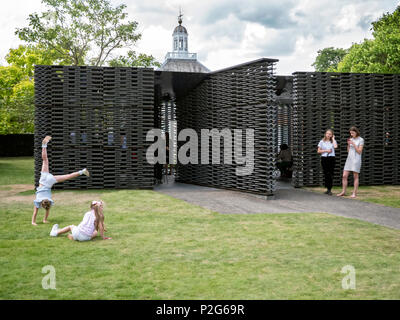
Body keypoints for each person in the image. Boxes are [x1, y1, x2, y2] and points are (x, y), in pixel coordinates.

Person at [32, 136, 90, 226]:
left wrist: (34, 222)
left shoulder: (47, 201)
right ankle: (44, 145)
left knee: (67, 176)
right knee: (45, 160)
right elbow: (36, 213)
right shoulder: (41, 200)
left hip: (49, 182)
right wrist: (33, 221)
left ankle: (82, 171)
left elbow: (39, 212)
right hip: (43, 178)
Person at [337, 126, 365, 198]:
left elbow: (359, 151)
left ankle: (354, 193)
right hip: (349, 159)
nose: (351, 135)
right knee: (344, 176)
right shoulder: (351, 139)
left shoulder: (361, 140)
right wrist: (349, 145)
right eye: (350, 133)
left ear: (356, 132)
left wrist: (354, 144)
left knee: (355, 176)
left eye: (352, 133)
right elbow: (348, 151)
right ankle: (343, 192)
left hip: (356, 159)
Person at [317, 129, 338, 195]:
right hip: (324, 158)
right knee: (326, 173)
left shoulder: (333, 141)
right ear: (325, 134)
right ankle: (327, 188)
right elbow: (318, 151)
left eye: (330, 134)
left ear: (332, 135)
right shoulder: (321, 141)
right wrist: (326, 151)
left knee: (331, 173)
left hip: (331, 158)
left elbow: (335, 146)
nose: (328, 135)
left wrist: (334, 139)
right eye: (327, 133)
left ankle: (329, 189)